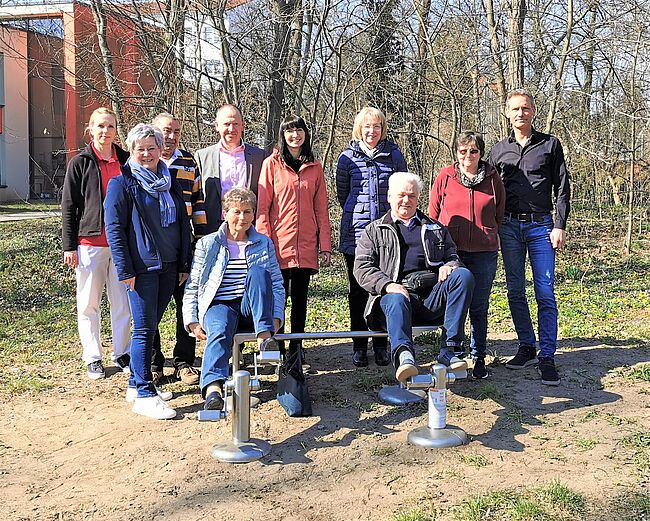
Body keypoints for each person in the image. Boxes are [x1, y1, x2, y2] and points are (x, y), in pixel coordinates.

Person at [104, 123, 192, 420]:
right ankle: (144, 392)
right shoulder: (122, 184)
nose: (146, 154)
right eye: (140, 149)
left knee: (151, 325)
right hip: (140, 269)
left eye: (151, 148)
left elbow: (182, 223)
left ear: (160, 150)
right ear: (131, 151)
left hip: (169, 266)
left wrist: (183, 263)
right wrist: (125, 269)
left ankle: (134, 382)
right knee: (143, 329)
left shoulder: (170, 180)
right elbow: (114, 230)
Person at [354, 172, 474, 383]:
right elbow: (362, 267)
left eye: (412, 196)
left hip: (430, 299)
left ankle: (450, 349)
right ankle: (404, 356)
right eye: (401, 195)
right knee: (396, 297)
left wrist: (450, 265)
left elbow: (453, 256)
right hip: (392, 303)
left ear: (419, 198)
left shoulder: (435, 228)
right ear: (389, 196)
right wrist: (387, 285)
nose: (406, 201)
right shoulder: (374, 231)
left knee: (463, 276)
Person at [489, 88, 570, 386]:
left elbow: (562, 187)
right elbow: (490, 192)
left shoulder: (550, 145)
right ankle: (526, 346)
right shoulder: (498, 150)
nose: (520, 113)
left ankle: (547, 356)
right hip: (508, 227)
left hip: (541, 228)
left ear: (533, 111)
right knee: (515, 290)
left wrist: (559, 225)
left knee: (545, 292)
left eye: (525, 108)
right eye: (515, 109)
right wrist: (490, 228)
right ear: (507, 113)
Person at [183, 188, 285, 411]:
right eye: (237, 212)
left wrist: (276, 316)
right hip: (221, 304)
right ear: (225, 213)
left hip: (252, 307)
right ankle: (213, 390)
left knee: (259, 273)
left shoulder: (263, 242)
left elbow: (276, 284)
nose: (242, 218)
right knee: (219, 330)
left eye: (248, 212)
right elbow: (193, 285)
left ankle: (265, 340)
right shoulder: (208, 243)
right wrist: (191, 320)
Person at [61, 107, 131, 380]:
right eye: (100, 126)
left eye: (110, 126)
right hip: (90, 242)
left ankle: (122, 352)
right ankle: (93, 357)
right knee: (89, 304)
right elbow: (69, 207)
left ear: (116, 131)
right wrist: (69, 246)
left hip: (122, 242)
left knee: (122, 302)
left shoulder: (125, 161)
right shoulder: (80, 162)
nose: (105, 131)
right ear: (90, 129)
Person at [428, 131, 505, 379]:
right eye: (463, 151)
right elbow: (433, 213)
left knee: (479, 306)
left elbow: (499, 212)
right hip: (453, 253)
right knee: (455, 304)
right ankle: (451, 352)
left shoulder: (493, 178)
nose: (468, 156)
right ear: (456, 153)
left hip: (484, 252)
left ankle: (479, 356)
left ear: (480, 154)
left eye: (473, 151)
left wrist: (488, 232)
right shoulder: (445, 177)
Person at [336, 107, 407, 368]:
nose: (371, 131)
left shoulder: (394, 155)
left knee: (384, 287)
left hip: (387, 234)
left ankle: (380, 344)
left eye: (376, 126)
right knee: (357, 291)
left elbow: (401, 191)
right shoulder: (346, 158)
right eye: (367, 126)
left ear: (382, 129)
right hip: (356, 234)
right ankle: (359, 345)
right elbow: (343, 196)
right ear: (359, 129)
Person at [256, 115, 332, 355]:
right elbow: (262, 208)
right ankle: (276, 349)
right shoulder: (271, 164)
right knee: (277, 299)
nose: (295, 135)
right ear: (283, 135)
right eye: (289, 131)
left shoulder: (315, 167)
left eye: (299, 130)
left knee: (300, 301)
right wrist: (264, 243)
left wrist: (326, 245)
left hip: (306, 246)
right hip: (278, 244)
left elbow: (321, 209)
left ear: (305, 134)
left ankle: (296, 350)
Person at [150, 112, 207, 386]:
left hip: (185, 248)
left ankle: (185, 362)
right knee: (151, 309)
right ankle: (154, 363)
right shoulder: (144, 161)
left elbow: (198, 203)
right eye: (165, 131)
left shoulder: (188, 162)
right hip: (154, 249)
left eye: (176, 131)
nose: (170, 136)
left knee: (187, 307)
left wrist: (202, 240)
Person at [194, 104, 267, 233]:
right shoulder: (202, 156)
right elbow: (197, 197)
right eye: (226, 124)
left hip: (249, 228)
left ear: (243, 125)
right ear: (217, 126)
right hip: (213, 230)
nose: (231, 129)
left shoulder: (259, 157)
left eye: (236, 124)